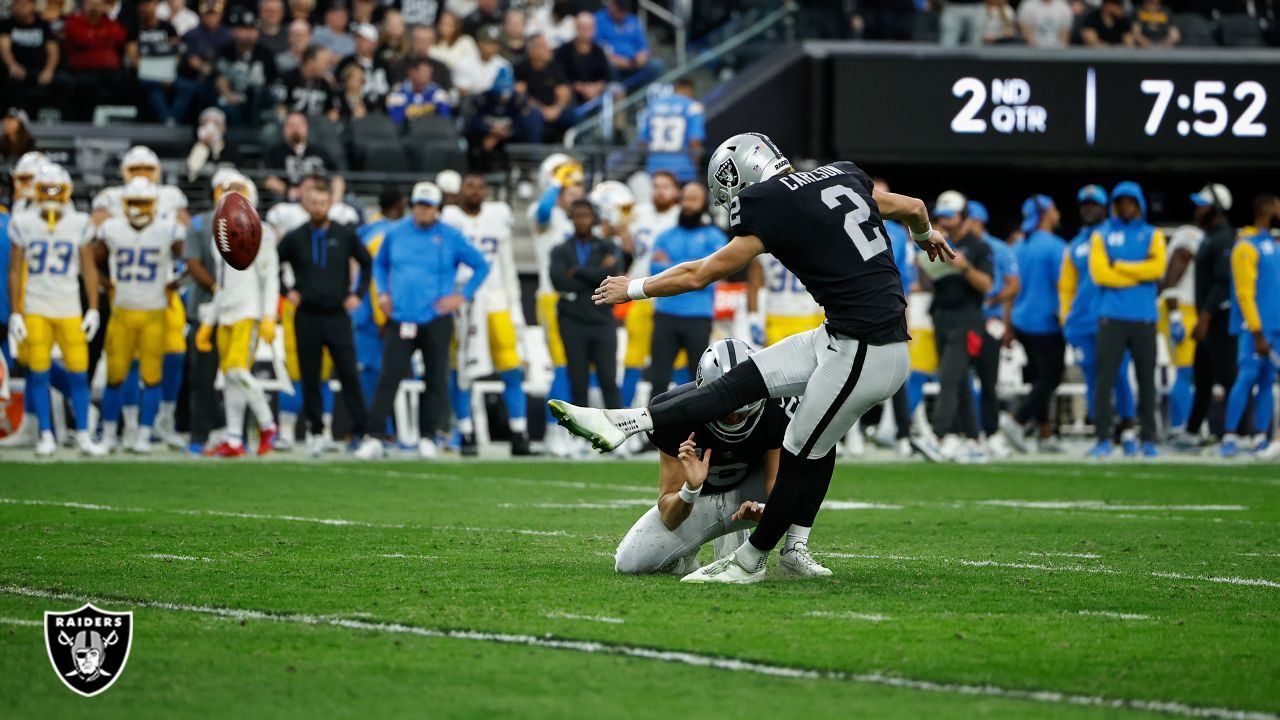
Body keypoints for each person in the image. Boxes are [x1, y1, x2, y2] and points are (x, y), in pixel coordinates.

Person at [550, 132, 954, 584]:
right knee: (737, 384)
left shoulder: (769, 201)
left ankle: (752, 561)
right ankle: (627, 422)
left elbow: (701, 273)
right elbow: (916, 207)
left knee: (801, 448)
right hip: (843, 335)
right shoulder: (840, 174)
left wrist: (635, 287)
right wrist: (926, 237)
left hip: (869, 349)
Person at [614, 339, 786, 575]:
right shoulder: (674, 412)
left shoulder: (776, 404)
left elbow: (778, 483)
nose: (735, 417)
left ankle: (796, 549)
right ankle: (688, 556)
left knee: (807, 469)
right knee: (630, 563)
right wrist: (690, 489)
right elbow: (669, 516)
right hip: (701, 498)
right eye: (727, 410)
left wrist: (768, 511)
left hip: (752, 495)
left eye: (742, 408)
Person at [358, 181, 489, 460]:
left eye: (428, 206)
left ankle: (428, 436)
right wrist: (382, 293)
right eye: (419, 205)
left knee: (435, 379)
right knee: (388, 377)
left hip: (436, 317)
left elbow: (480, 264)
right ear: (412, 206)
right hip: (401, 316)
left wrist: (462, 296)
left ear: (437, 209)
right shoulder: (395, 233)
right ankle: (374, 436)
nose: (423, 211)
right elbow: (379, 265)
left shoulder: (450, 236)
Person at [7, 163, 106, 457]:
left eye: (56, 190)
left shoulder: (78, 223)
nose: (51, 196)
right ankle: (45, 434)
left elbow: (89, 270)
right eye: (45, 189)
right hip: (36, 306)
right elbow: (15, 271)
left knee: (78, 373)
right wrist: (16, 311)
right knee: (38, 372)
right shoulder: (22, 222)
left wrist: (93, 308)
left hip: (68, 307)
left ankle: (84, 434)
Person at [277, 176, 377, 457]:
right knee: (310, 376)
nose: (319, 207)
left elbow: (367, 262)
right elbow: (272, 263)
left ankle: (362, 432)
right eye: (314, 203)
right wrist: (286, 291)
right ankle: (317, 431)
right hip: (307, 314)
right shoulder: (295, 236)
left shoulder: (344, 234)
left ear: (330, 204)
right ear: (305, 204)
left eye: (323, 203)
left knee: (348, 374)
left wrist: (357, 294)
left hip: (337, 315)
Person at [442, 173, 534, 456]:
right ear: (459, 191)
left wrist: (515, 307)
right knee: (462, 371)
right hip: (464, 303)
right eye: (470, 186)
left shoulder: (497, 217)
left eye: (480, 186)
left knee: (511, 367)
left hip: (496, 301)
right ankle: (466, 433)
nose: (475, 191)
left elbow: (506, 265)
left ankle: (519, 432)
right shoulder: (449, 218)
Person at [92, 177, 184, 454]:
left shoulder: (168, 229)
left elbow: (189, 258)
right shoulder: (113, 229)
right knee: (115, 376)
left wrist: (179, 279)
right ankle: (110, 435)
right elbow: (89, 259)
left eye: (144, 202)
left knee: (152, 377)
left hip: (155, 311)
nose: (139, 208)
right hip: (122, 311)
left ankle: (144, 433)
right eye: (134, 202)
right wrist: (104, 282)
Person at [195, 173, 281, 457]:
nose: (232, 196)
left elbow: (270, 279)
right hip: (228, 311)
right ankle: (234, 438)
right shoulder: (217, 234)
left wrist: (268, 315)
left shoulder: (262, 231)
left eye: (238, 190)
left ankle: (268, 425)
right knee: (229, 377)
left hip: (249, 311)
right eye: (227, 190)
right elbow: (222, 281)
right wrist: (209, 322)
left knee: (236, 371)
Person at [1087, 182, 1165, 459]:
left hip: (1144, 316)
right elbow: (1099, 274)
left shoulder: (1152, 234)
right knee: (1105, 379)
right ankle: (1103, 437)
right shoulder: (1101, 235)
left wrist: (1120, 266)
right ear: (1115, 205)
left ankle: (1149, 438)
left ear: (1139, 204)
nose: (1126, 207)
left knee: (1147, 381)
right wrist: (1137, 274)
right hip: (1112, 316)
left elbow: (1157, 268)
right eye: (1121, 202)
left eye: (1131, 202)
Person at [1059, 184, 1139, 448]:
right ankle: (1102, 433)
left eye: (1094, 204)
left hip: (1113, 318)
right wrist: (1066, 320)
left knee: (1119, 374)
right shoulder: (1076, 244)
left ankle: (1128, 428)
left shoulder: (1116, 236)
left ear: (1105, 208)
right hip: (1082, 322)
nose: (1089, 209)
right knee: (1092, 378)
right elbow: (1067, 287)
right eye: (1085, 205)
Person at [927, 191, 994, 463]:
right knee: (961, 380)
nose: (946, 221)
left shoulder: (980, 247)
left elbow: (987, 286)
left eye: (950, 216)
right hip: (942, 314)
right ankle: (975, 439)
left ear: (964, 216)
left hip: (967, 318)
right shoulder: (940, 241)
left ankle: (939, 436)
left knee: (949, 376)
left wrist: (965, 267)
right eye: (942, 216)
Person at [646, 182, 725, 397]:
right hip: (665, 315)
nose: (688, 204)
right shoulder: (665, 236)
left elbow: (709, 276)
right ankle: (653, 430)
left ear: (703, 204)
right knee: (658, 379)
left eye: (694, 199)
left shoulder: (716, 237)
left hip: (698, 317)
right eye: (685, 199)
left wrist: (673, 265)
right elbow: (655, 271)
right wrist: (695, 265)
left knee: (698, 381)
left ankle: (695, 430)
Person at [529, 154, 584, 457]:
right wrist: (556, 182)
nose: (573, 189)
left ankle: (575, 430)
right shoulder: (541, 210)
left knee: (578, 367)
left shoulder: (575, 218)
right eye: (567, 184)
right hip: (553, 297)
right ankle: (555, 432)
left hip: (579, 298)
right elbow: (543, 213)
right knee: (562, 365)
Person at [1002, 195, 1066, 452]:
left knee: (1039, 378)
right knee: (1051, 378)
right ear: (1047, 214)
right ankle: (1017, 419)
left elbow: (1010, 290)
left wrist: (1008, 326)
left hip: (1021, 321)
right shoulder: (1057, 246)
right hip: (1047, 322)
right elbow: (1062, 287)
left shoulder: (1017, 246)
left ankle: (1045, 433)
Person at [550, 199, 626, 414]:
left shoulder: (608, 246)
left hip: (603, 322)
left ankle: (619, 432)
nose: (582, 220)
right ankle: (579, 439)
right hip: (572, 322)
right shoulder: (560, 249)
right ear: (570, 218)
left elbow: (612, 276)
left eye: (586, 215)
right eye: (578, 215)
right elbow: (559, 282)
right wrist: (596, 273)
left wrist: (577, 271)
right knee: (577, 380)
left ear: (594, 218)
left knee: (608, 379)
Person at [1220, 194, 1280, 458]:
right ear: (1267, 210)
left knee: (1268, 381)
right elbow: (1244, 293)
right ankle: (1229, 436)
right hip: (1255, 328)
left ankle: (1260, 437)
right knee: (1246, 378)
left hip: (1276, 327)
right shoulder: (1246, 245)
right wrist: (1257, 331)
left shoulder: (1275, 246)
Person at [1182, 183, 1237, 446]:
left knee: (1229, 377)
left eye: (1202, 204)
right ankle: (1192, 431)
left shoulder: (1224, 237)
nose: (1197, 209)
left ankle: (1241, 433)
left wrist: (1204, 317)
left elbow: (1222, 281)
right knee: (1202, 379)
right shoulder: (1210, 236)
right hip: (1208, 319)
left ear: (1215, 208)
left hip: (1219, 319)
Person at [620, 170, 680, 408]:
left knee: (677, 363)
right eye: (656, 185)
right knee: (632, 359)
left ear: (676, 191)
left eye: (666, 186)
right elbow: (630, 250)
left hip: (668, 298)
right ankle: (624, 419)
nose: (660, 191)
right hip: (638, 294)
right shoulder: (640, 212)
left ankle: (679, 422)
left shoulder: (681, 216)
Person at [966, 200, 1019, 457]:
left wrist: (1000, 312)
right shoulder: (960, 246)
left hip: (990, 320)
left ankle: (991, 432)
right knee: (961, 380)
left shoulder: (998, 247)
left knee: (989, 380)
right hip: (965, 319)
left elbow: (1013, 286)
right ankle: (969, 434)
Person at [1160, 224, 1203, 444]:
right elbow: (1171, 278)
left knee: (1191, 373)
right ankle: (1180, 428)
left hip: (1187, 308)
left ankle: (1184, 427)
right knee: (1185, 372)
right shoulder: (1190, 236)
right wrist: (1176, 316)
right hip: (1182, 309)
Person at [63, 0, 130, 120]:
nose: (94, 8)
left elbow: (121, 36)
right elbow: (81, 39)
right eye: (91, 4)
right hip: (83, 70)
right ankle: (84, 126)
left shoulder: (110, 22)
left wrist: (95, 35)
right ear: (84, 5)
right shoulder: (74, 21)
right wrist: (103, 37)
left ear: (104, 7)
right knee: (88, 84)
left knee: (128, 83)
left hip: (110, 71)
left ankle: (123, 124)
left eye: (98, 5)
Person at [213, 6, 279, 125]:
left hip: (258, 101)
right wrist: (229, 95)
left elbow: (272, 81)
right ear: (234, 31)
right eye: (244, 29)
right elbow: (219, 78)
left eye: (252, 29)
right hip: (233, 99)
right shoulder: (225, 51)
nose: (249, 34)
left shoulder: (265, 53)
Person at [1, 0, 63, 117]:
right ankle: (20, 120)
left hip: (41, 70)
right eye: (18, 4)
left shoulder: (43, 25)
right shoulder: (6, 24)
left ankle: (65, 122)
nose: (21, 7)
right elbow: (4, 48)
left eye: (25, 4)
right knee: (13, 82)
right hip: (18, 70)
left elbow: (53, 51)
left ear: (33, 6)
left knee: (65, 83)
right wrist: (12, 65)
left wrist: (49, 70)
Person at [637, 79, 706, 185]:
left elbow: (642, 142)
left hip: (654, 169)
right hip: (683, 170)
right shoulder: (692, 107)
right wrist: (696, 166)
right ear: (690, 90)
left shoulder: (653, 106)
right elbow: (695, 141)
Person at [262, 111, 344, 198]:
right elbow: (268, 181)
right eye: (291, 125)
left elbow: (337, 178)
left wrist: (333, 203)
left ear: (306, 128)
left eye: (299, 125)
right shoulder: (274, 153)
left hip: (322, 198)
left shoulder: (320, 152)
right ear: (284, 129)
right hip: (290, 202)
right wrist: (288, 191)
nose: (295, 128)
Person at [514, 33, 571, 143]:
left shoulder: (556, 67)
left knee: (572, 114)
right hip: (532, 110)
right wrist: (542, 110)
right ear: (532, 50)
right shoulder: (521, 68)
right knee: (533, 116)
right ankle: (535, 155)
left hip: (554, 109)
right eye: (543, 46)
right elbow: (521, 95)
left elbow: (564, 93)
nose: (548, 49)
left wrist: (557, 109)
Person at [554, 12, 610, 105]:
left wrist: (596, 87)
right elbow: (561, 76)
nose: (587, 31)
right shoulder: (564, 50)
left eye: (590, 27)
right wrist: (582, 88)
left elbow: (606, 75)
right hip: (574, 90)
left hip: (596, 90)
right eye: (583, 27)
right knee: (564, 92)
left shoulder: (599, 50)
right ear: (576, 28)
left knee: (616, 90)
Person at [593, 0, 650, 82]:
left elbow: (643, 46)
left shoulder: (633, 20)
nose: (622, 14)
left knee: (655, 66)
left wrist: (642, 56)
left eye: (625, 11)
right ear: (612, 6)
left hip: (633, 63)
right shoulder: (598, 19)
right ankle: (617, 90)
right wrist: (617, 60)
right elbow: (596, 48)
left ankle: (634, 91)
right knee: (609, 67)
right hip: (612, 63)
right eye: (620, 10)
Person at [336, 23, 390, 107]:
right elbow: (339, 88)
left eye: (363, 39)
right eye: (357, 38)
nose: (358, 41)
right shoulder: (346, 62)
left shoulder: (383, 63)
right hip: (355, 108)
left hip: (382, 109)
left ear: (374, 43)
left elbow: (391, 86)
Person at [385, 57, 452, 124]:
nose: (427, 75)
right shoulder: (398, 92)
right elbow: (396, 121)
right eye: (423, 71)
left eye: (429, 71)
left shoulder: (438, 92)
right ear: (412, 72)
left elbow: (445, 119)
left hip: (432, 130)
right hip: (406, 132)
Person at [279, 44, 340, 118]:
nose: (327, 66)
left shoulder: (325, 83)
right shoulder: (288, 78)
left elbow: (332, 111)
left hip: (317, 126)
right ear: (310, 60)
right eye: (324, 61)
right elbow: (280, 107)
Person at [453, 23, 510, 95]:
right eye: (487, 42)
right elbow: (463, 92)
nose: (490, 47)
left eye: (494, 43)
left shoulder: (504, 65)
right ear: (479, 43)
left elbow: (505, 92)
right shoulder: (464, 64)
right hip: (470, 103)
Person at [390, 24, 453, 88]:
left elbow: (447, 92)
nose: (422, 44)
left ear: (432, 42)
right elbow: (396, 89)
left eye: (426, 40)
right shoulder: (401, 65)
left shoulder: (441, 68)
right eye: (419, 40)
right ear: (412, 41)